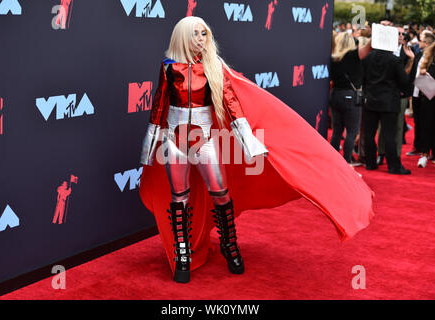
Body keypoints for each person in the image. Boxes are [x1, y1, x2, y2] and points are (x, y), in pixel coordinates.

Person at [139, 16, 374, 283]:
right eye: (195, 34)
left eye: (204, 34)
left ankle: (230, 246)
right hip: (175, 140)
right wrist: (149, 147)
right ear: (182, 36)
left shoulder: (214, 66)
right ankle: (182, 253)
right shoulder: (169, 66)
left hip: (205, 139)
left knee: (221, 194)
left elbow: (232, 104)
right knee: (179, 197)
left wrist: (249, 142)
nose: (201, 39)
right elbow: (159, 105)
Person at [362, 39, 415, 174]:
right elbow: (404, 80)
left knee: (369, 134)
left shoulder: (368, 58)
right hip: (389, 103)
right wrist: (410, 60)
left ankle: (370, 163)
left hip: (371, 101)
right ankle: (393, 167)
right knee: (389, 135)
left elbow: (362, 78)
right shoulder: (394, 60)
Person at [329, 32, 371, 165]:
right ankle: (346, 164)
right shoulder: (354, 56)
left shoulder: (332, 58)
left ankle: (333, 162)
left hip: (335, 95)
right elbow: (371, 45)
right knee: (352, 132)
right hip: (350, 97)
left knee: (336, 131)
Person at [415, 41, 435, 168]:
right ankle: (425, 154)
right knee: (426, 125)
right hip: (428, 96)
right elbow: (418, 76)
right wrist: (422, 73)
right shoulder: (428, 56)